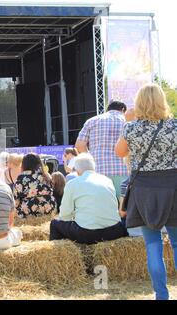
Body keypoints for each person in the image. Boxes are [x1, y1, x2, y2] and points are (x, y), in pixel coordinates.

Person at [115, 84, 177, 300]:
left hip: (143, 188)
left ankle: (161, 295)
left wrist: (130, 122)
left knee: (152, 244)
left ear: (139, 103)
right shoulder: (175, 126)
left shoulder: (131, 128)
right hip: (173, 186)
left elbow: (119, 151)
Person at [49, 153, 128, 245]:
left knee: (54, 224)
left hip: (88, 233)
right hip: (114, 231)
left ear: (77, 171)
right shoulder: (107, 180)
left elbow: (65, 215)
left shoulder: (72, 183)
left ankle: (64, 256)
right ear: (94, 168)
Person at [75, 100, 129, 200]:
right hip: (124, 172)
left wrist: (91, 158)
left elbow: (79, 145)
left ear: (107, 109)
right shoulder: (128, 122)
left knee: (103, 207)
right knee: (124, 209)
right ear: (123, 110)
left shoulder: (92, 121)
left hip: (98, 171)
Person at [14, 153, 56, 218]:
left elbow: (16, 198)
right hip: (49, 208)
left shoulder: (21, 178)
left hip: (29, 210)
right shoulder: (46, 175)